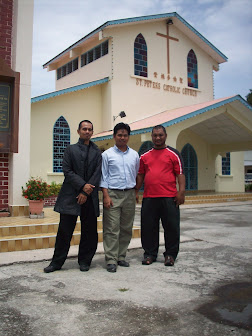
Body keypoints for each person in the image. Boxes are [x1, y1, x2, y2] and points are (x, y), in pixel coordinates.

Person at [44, 120, 102, 273]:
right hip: (70, 196)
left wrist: (85, 192)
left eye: (90, 129)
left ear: (92, 132)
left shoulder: (97, 152)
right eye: (84, 129)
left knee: (89, 231)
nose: (87, 132)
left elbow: (98, 173)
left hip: (89, 197)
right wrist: (83, 186)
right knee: (64, 231)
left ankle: (85, 261)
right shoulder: (70, 150)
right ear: (78, 131)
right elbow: (67, 171)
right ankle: (56, 263)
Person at [135, 125, 185, 267]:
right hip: (149, 198)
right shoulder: (144, 156)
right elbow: (140, 175)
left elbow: (180, 174)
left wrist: (181, 192)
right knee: (148, 227)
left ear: (165, 136)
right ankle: (150, 254)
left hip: (169, 198)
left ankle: (170, 255)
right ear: (152, 137)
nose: (158, 138)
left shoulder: (173, 154)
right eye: (155, 135)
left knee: (171, 227)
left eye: (160, 135)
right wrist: (135, 191)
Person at [100, 122, 140, 272]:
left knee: (126, 227)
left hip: (129, 194)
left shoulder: (134, 155)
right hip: (112, 194)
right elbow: (103, 176)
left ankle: (121, 256)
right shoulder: (107, 155)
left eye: (125, 135)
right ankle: (111, 259)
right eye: (120, 135)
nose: (122, 138)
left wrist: (135, 192)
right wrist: (105, 196)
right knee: (111, 228)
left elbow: (135, 175)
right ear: (114, 136)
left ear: (128, 137)